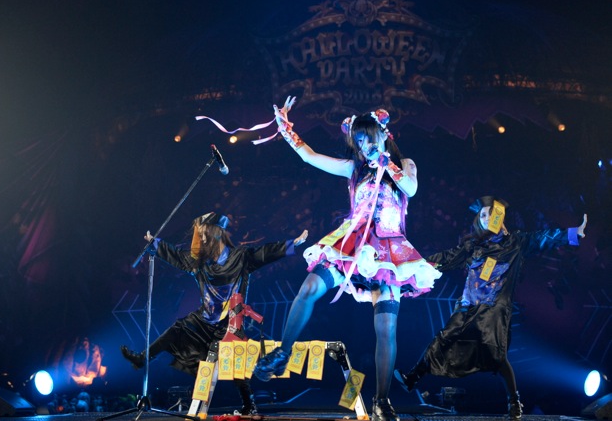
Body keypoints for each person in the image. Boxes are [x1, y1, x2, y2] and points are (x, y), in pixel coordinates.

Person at [252, 97, 442, 421]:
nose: (364, 145)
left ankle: (382, 401)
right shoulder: (355, 169)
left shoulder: (404, 163)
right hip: (351, 244)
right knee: (309, 287)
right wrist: (285, 128)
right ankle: (282, 353)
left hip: (388, 252)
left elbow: (410, 188)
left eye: (368, 138)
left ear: (382, 135)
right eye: (359, 140)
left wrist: (386, 162)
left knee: (386, 326)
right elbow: (309, 156)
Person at [393, 196, 588, 421]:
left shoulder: (515, 242)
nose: (487, 218)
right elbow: (447, 257)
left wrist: (573, 233)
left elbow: (543, 237)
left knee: (496, 356)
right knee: (444, 337)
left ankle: (514, 402)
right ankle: (412, 378)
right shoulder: (473, 246)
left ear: (500, 217)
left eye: (491, 214)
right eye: (483, 215)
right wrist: (416, 265)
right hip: (468, 305)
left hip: (494, 308)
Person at [121, 211, 309, 415]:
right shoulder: (199, 262)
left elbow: (264, 253)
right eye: (200, 234)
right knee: (178, 329)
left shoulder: (240, 257)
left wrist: (293, 244)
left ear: (218, 233)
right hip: (204, 320)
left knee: (235, 361)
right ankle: (142, 358)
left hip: (230, 322)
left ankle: (249, 404)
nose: (202, 238)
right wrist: (156, 244)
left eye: (205, 233)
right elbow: (176, 256)